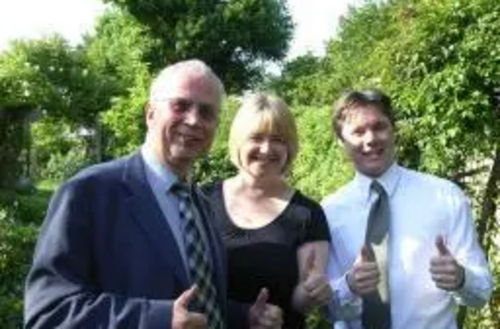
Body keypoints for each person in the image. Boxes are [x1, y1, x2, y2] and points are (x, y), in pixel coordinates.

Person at [24, 60, 278, 329]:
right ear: (150, 114)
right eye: (180, 105)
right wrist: (156, 319)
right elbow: (49, 313)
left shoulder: (201, 203)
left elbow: (194, 302)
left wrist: (243, 315)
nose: (193, 120)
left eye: (206, 112)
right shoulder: (88, 193)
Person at [322, 89, 494, 329]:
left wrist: (461, 278)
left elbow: (483, 291)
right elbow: (327, 309)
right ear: (341, 141)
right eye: (358, 131)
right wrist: (350, 285)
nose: (371, 138)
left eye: (379, 126)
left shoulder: (445, 196)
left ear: (394, 131)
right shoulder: (328, 212)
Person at [202, 92, 333, 329]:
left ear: (289, 146)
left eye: (278, 139)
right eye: (256, 138)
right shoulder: (201, 201)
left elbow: (301, 302)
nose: (266, 149)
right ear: (238, 141)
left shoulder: (308, 214)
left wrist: (311, 291)